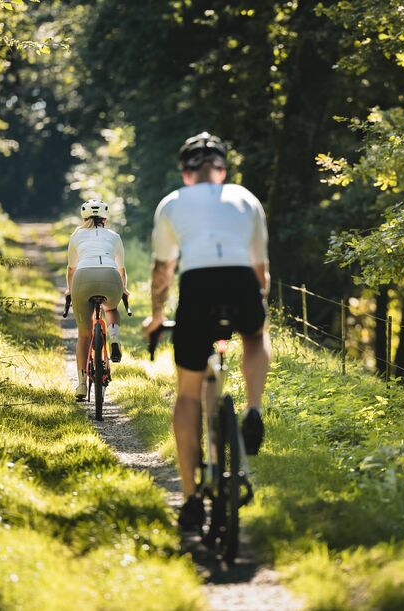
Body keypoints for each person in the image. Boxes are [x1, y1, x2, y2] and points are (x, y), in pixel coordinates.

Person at [143, 132, 271, 531]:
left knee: (187, 394)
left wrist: (156, 315)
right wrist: (254, 302)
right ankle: (253, 408)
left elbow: (163, 271)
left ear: (185, 173)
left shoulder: (171, 204)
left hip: (197, 287)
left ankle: (191, 498)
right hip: (240, 281)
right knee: (254, 333)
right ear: (223, 171)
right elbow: (260, 271)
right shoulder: (246, 198)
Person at [67, 198, 128, 400]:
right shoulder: (114, 236)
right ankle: (114, 337)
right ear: (105, 218)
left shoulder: (76, 237)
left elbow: (70, 269)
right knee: (110, 309)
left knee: (84, 334)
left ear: (83, 217)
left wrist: (70, 290)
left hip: (83, 278)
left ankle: (82, 384)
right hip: (110, 277)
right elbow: (122, 269)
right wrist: (124, 289)